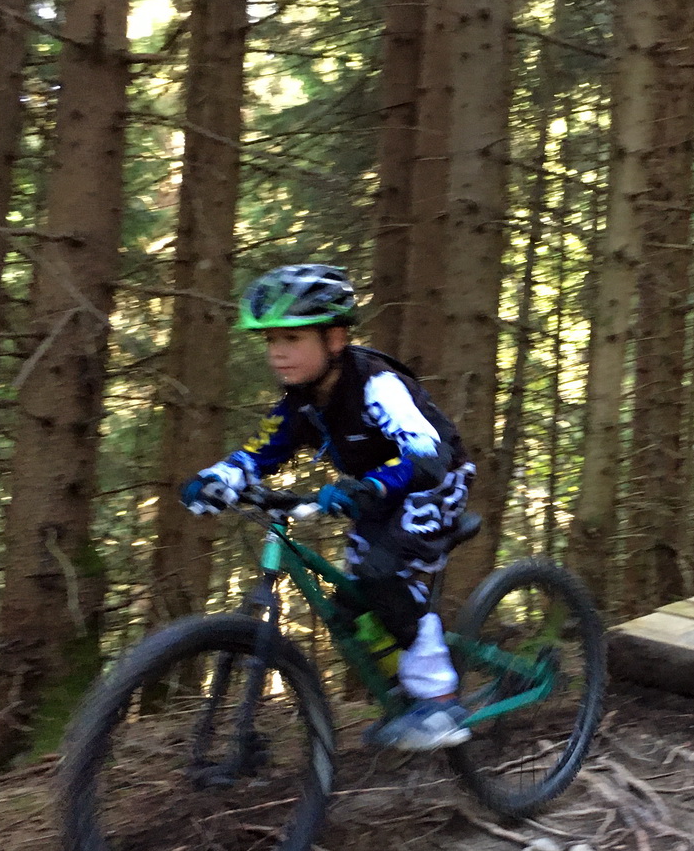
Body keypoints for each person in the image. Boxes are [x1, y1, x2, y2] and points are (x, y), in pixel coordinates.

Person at [179, 263, 476, 752]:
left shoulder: (377, 384)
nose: (277, 352)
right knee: (352, 606)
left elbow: (426, 453)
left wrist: (371, 486)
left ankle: (439, 701)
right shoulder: (300, 400)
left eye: (292, 338)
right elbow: (260, 451)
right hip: (375, 492)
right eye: (271, 340)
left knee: (382, 574)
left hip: (434, 483)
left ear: (335, 338)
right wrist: (216, 479)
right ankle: (405, 692)